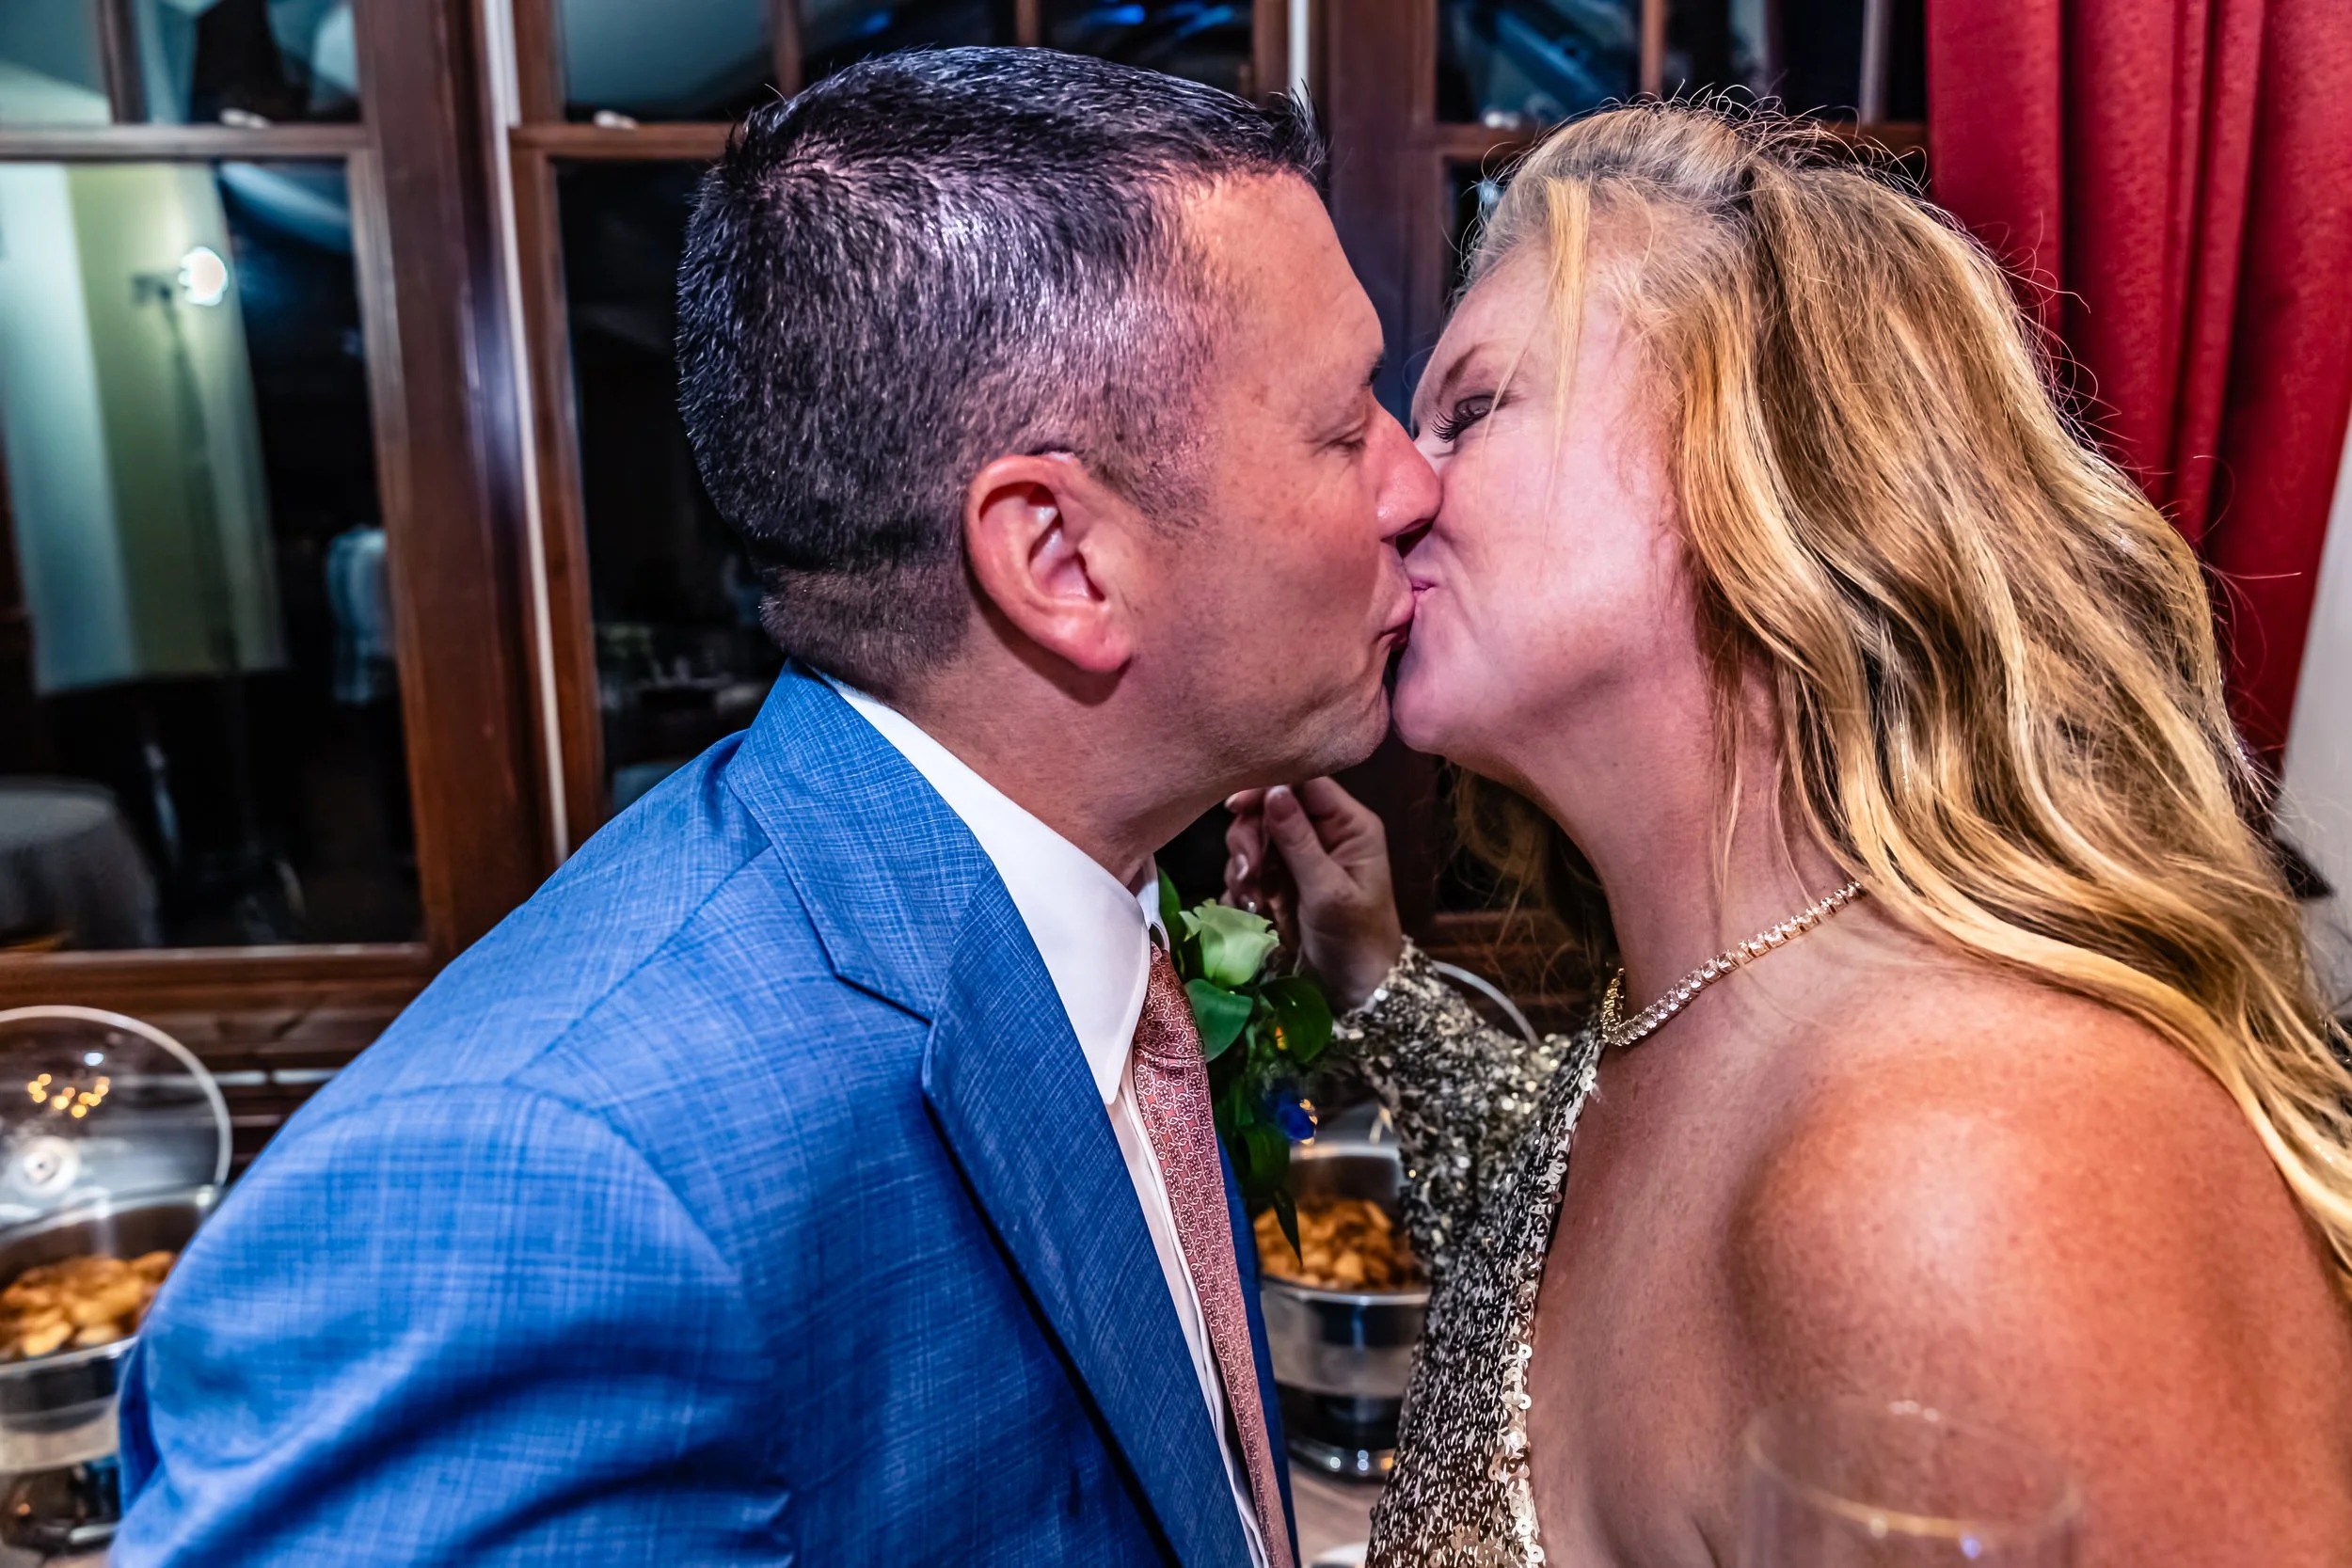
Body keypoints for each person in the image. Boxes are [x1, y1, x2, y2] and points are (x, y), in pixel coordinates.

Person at [116, 49, 1436, 1565]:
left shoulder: (1081, 906)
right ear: (1062, 560)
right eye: (1346, 426)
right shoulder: (561, 1187)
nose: (1413, 484)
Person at [1228, 103, 2352, 1567]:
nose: (1399, 487)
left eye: (1473, 408)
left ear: (1754, 446)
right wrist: (1369, 969)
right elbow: (1547, 1195)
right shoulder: (1679, 1012)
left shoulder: (1954, 1185)